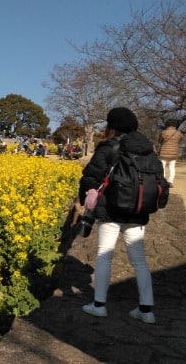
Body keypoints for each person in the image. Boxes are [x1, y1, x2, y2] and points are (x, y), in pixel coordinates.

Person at [78, 107, 169, 324]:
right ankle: (146, 310)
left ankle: (99, 305)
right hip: (138, 212)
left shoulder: (110, 147)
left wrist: (87, 198)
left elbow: (91, 177)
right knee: (139, 260)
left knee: (104, 255)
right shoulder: (149, 150)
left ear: (112, 126)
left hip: (111, 210)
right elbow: (159, 181)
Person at [158, 119, 183, 188]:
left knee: (162, 167)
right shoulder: (179, 133)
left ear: (167, 125)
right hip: (174, 153)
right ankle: (170, 182)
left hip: (164, 152)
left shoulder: (163, 132)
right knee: (172, 167)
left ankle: (162, 181)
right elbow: (180, 141)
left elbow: (159, 141)